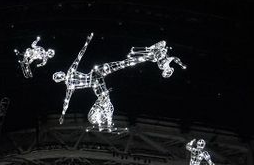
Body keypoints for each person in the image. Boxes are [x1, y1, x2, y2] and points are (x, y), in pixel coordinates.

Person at [54, 34, 184, 132]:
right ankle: (107, 122)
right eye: (57, 77)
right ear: (59, 80)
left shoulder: (70, 71)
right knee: (106, 101)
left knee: (121, 64)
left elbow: (79, 57)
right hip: (95, 83)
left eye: (58, 74)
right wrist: (62, 115)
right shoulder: (69, 86)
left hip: (95, 73)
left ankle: (145, 56)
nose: (60, 75)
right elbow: (67, 100)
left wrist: (87, 42)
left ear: (60, 72)